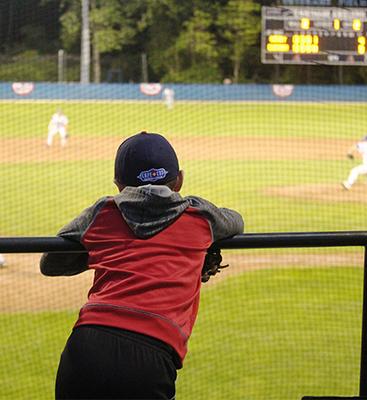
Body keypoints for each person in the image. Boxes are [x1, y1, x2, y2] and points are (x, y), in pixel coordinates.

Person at [40, 131, 244, 399]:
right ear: (180, 180)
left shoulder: (102, 212)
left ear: (118, 184)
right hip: (151, 354)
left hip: (86, 345)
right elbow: (236, 221)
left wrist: (103, 249)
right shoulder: (201, 217)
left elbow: (50, 263)